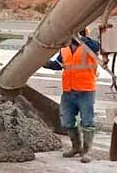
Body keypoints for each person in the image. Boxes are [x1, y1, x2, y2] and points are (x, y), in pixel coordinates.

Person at [43, 28, 101, 163]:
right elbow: (57, 65)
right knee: (67, 121)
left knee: (88, 121)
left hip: (85, 91)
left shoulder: (90, 46)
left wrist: (79, 38)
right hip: (68, 91)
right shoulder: (64, 49)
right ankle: (76, 147)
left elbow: (96, 46)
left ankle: (87, 151)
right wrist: (43, 63)